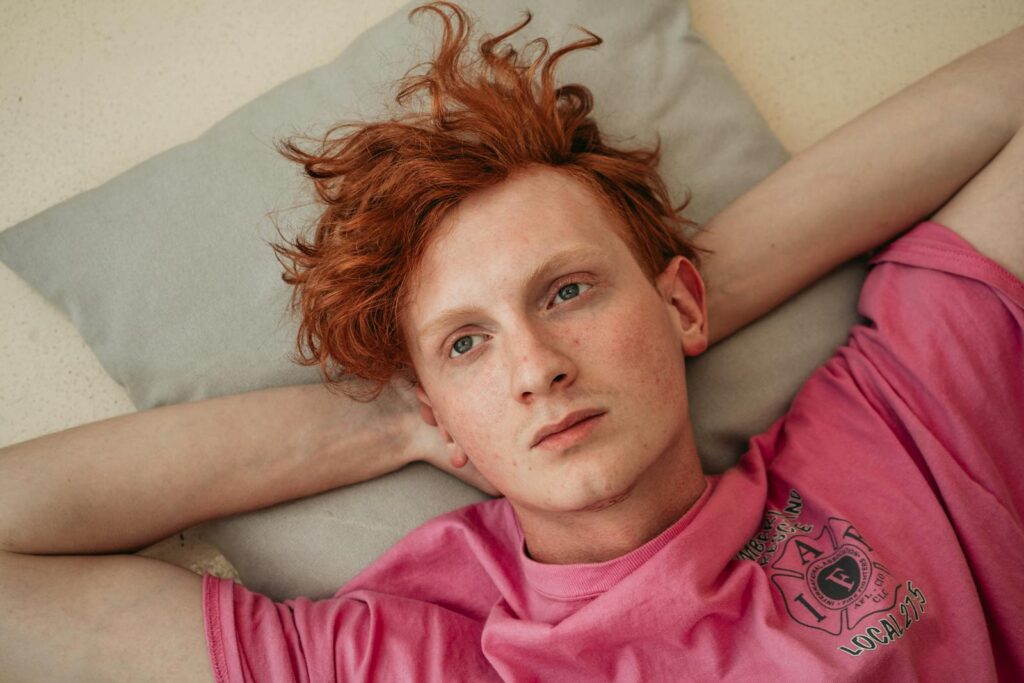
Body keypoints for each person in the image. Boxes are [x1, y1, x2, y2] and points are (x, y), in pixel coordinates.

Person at [1, 2, 1022, 680]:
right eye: (466, 344)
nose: (535, 366)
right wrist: (407, 424)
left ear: (682, 302)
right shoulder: (410, 653)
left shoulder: (896, 434)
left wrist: (684, 308)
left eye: (568, 290)